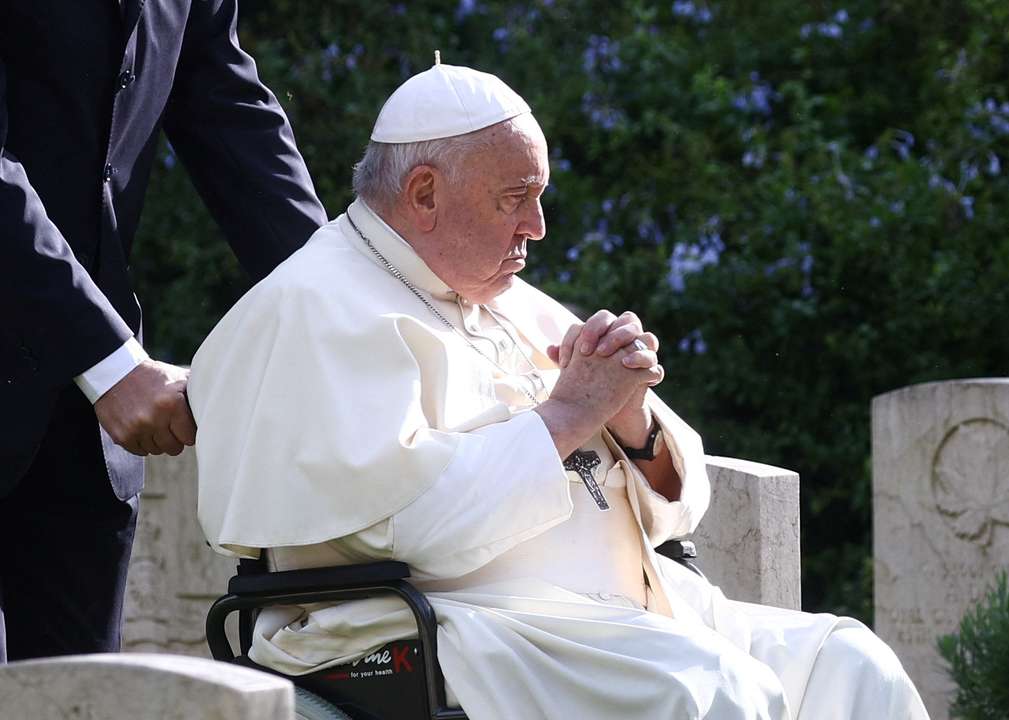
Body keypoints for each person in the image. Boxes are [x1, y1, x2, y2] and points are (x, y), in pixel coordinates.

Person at [189, 61, 928, 719]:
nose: (536, 227)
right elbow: (413, 530)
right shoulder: (312, 306)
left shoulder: (515, 301)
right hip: (448, 622)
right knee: (706, 691)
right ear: (423, 193)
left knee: (850, 663)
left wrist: (633, 419)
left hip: (616, 611)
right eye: (516, 198)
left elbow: (680, 511)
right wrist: (572, 412)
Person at [0, 0, 327, 662]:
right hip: (89, 364)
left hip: (77, 437)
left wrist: (341, 306)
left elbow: (230, 110)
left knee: (79, 702)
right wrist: (108, 361)